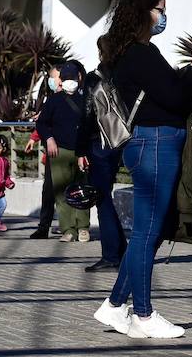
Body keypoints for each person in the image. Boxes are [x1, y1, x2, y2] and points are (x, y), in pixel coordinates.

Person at [92, 0, 192, 340]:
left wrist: (191, 68)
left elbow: (164, 92)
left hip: (150, 143)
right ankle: (142, 315)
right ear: (143, 12)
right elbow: (176, 98)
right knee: (148, 231)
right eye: (160, 9)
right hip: (155, 144)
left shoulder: (131, 53)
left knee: (153, 229)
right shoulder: (141, 54)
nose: (164, 16)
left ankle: (115, 305)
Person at [36, 60, 92, 242]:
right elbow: (42, 123)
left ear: (79, 78)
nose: (69, 81)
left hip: (81, 153)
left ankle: (83, 227)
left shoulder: (86, 100)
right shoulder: (53, 101)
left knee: (82, 190)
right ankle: (68, 229)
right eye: (66, 78)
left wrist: (85, 152)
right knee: (61, 193)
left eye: (72, 78)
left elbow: (91, 126)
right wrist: (49, 138)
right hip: (59, 152)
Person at [83, 61, 128, 272]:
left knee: (102, 200)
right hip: (117, 141)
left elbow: (87, 114)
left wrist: (79, 150)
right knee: (105, 198)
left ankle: (111, 255)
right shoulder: (122, 75)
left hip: (98, 144)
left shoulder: (93, 78)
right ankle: (121, 250)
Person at [29, 66, 61, 240]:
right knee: (48, 189)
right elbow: (43, 122)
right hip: (52, 152)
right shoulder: (52, 100)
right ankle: (44, 226)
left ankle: (72, 226)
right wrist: (34, 138)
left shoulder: (76, 97)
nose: (52, 81)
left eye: (54, 77)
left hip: (70, 150)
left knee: (67, 190)